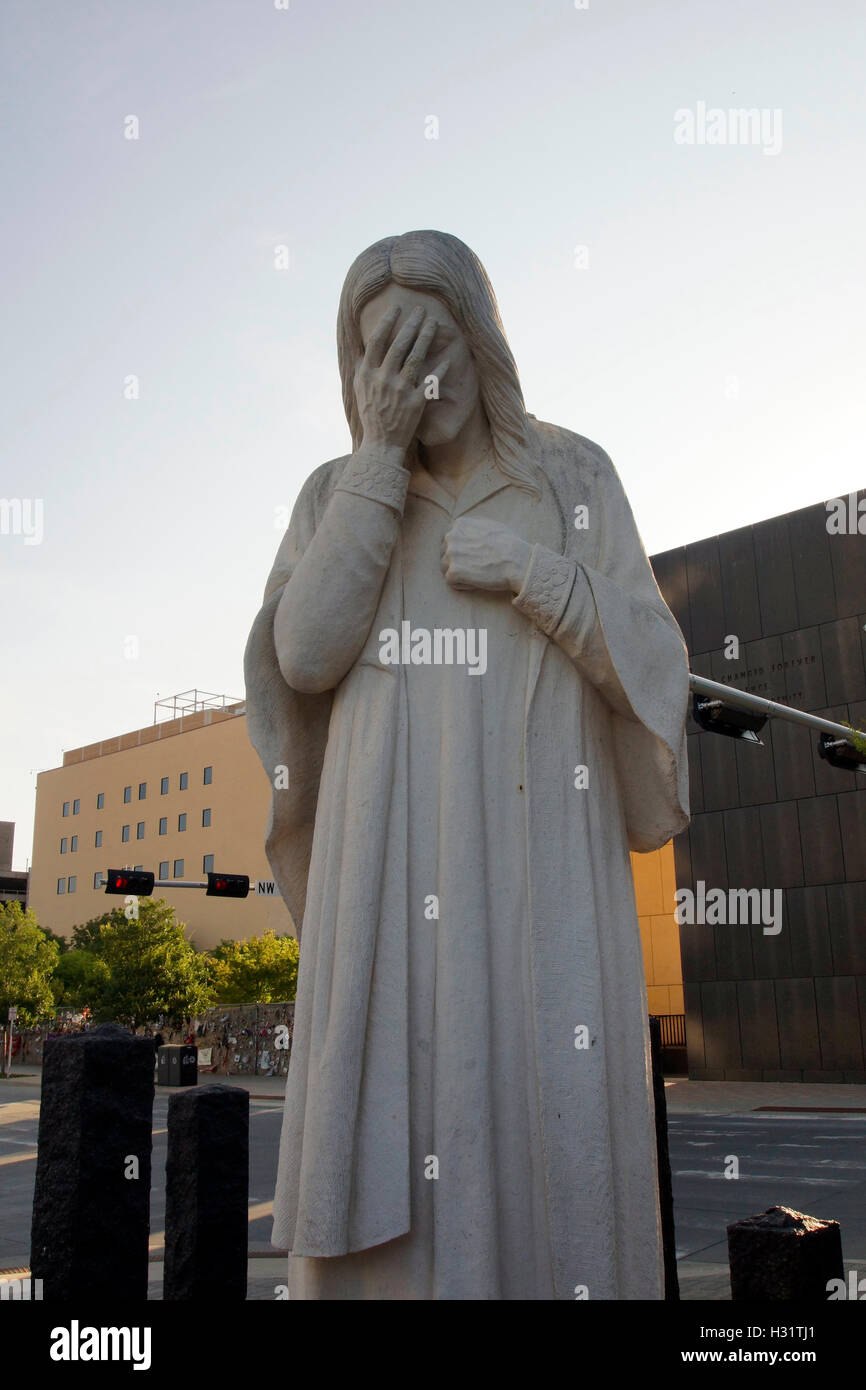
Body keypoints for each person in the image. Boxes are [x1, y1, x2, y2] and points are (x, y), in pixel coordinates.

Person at [244, 230, 689, 1300]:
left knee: (548, 1110)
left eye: (429, 342)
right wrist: (375, 471)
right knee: (401, 1111)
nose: (411, 377)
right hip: (385, 871)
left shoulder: (571, 475)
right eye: (381, 355)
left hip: (541, 864)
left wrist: (532, 574)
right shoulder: (337, 493)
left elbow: (653, 664)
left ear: (479, 338)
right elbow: (302, 655)